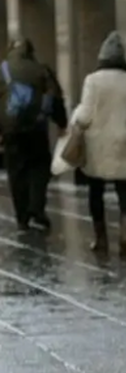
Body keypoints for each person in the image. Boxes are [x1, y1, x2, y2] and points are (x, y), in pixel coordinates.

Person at [70, 31, 126, 258]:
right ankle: (125, 234)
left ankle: (100, 238)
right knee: (124, 191)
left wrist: (75, 123)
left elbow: (85, 113)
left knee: (96, 191)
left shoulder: (93, 80)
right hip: (124, 141)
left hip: (97, 144)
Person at [0, 37, 65, 231]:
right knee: (39, 167)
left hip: (11, 130)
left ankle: (22, 217)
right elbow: (55, 97)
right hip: (37, 128)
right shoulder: (41, 70)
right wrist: (62, 122)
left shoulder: (2, 71)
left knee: (16, 172)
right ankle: (36, 207)